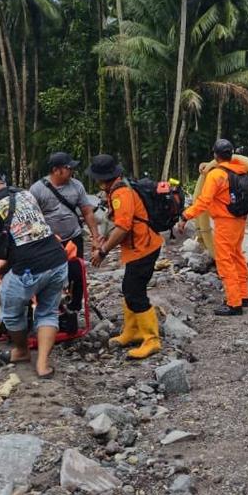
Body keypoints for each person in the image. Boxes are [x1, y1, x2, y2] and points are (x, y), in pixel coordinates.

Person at [0, 161, 68, 379]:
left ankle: (22, 350)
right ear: (1, 178)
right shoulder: (25, 194)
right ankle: (43, 365)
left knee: (11, 313)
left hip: (27, 270)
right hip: (57, 259)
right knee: (48, 312)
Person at [87, 154, 164, 360]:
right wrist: (104, 237)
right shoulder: (118, 189)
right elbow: (117, 221)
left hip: (143, 247)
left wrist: (103, 251)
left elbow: (123, 227)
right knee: (129, 288)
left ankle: (151, 339)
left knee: (135, 292)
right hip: (137, 248)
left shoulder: (121, 193)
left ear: (102, 177)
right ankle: (133, 331)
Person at [177, 139, 248, 316]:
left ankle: (234, 304)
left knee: (225, 261)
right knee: (237, 256)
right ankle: (243, 296)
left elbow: (203, 201)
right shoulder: (240, 169)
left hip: (225, 222)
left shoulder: (216, 175)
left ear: (215, 155)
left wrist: (185, 216)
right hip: (240, 219)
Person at [29, 152, 100, 257]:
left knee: (76, 267)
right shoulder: (37, 189)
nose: (72, 171)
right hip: (49, 242)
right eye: (68, 168)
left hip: (74, 239)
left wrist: (95, 238)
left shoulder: (77, 186)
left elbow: (87, 213)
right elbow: (32, 219)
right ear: (56, 170)